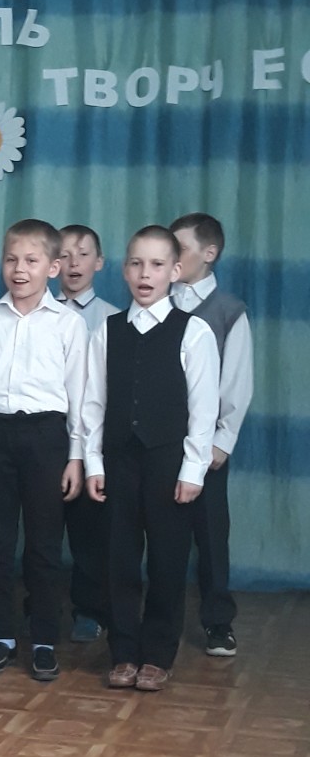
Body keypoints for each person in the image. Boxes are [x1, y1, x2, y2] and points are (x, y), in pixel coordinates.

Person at [83, 225, 220, 691]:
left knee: (166, 559)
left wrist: (193, 469)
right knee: (119, 558)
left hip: (168, 462)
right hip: (119, 459)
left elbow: (204, 408)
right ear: (124, 270)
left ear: (175, 272)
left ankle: (159, 654)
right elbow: (93, 403)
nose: (146, 274)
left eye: (157, 265)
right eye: (137, 264)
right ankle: (123, 651)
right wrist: (93, 462)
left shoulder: (193, 332)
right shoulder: (107, 331)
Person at [0, 219, 88, 682]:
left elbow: (78, 394)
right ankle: (1, 635)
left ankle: (44, 638)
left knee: (45, 545)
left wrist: (76, 457)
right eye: (11, 259)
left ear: (53, 267)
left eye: (31, 260)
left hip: (46, 437)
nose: (19, 269)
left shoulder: (69, 324)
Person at [170, 213, 253, 658]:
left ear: (209, 253)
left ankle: (218, 622)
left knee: (210, 534)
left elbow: (237, 380)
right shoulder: (157, 303)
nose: (171, 257)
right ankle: (158, 618)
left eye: (180, 248)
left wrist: (222, 440)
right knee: (161, 533)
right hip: (161, 442)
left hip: (205, 447)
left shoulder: (228, 310)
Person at [57, 224, 119, 643]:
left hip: (93, 442)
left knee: (89, 534)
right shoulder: (39, 314)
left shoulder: (113, 319)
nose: (73, 263)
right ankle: (40, 607)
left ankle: (90, 609)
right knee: (43, 533)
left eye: (83, 254)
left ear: (99, 263)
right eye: (64, 255)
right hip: (47, 439)